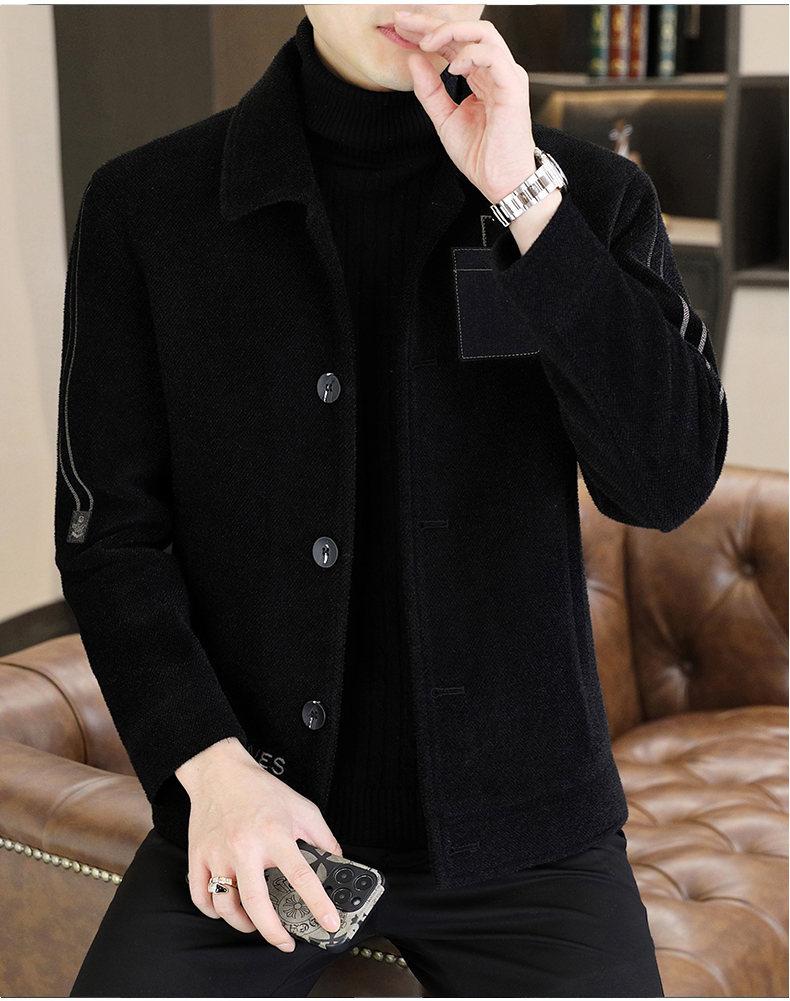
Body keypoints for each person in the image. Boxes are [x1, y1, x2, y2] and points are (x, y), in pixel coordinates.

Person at [57, 4, 728, 997]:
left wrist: (522, 196)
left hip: (528, 829)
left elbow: (665, 482)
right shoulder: (146, 206)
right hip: (259, 809)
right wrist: (212, 768)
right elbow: (108, 534)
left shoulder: (587, 195)